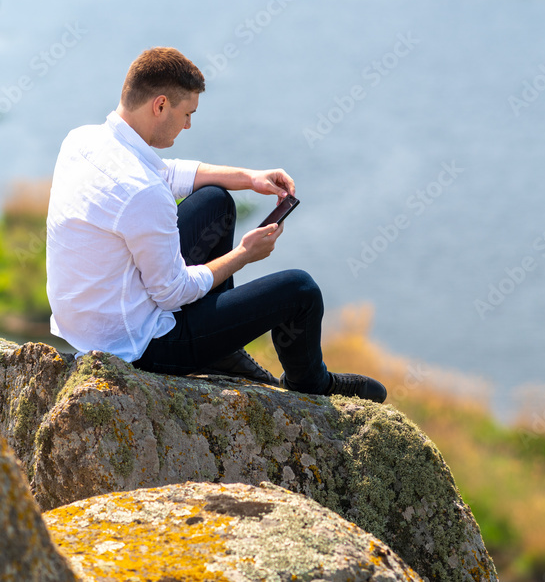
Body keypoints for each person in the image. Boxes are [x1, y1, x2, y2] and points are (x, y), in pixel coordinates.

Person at [45, 47, 386, 403]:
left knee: (216, 201)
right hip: (136, 347)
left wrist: (250, 178)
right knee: (301, 290)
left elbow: (166, 172)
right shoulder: (142, 193)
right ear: (160, 105)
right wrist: (244, 254)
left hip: (89, 322)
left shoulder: (83, 140)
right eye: (187, 113)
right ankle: (310, 384)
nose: (189, 125)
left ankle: (220, 350)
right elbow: (171, 293)